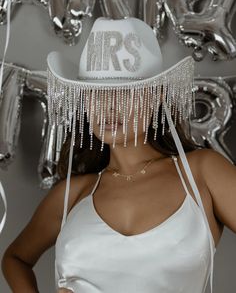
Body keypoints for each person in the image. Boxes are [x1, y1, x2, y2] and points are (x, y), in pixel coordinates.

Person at [1, 17, 236, 293]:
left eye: (124, 93)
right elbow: (15, 259)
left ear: (156, 96)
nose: (108, 108)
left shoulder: (202, 173)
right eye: (96, 94)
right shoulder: (71, 195)